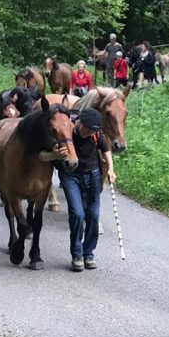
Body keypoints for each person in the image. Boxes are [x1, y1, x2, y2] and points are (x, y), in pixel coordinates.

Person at [56, 108, 117, 271]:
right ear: (80, 122)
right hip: (70, 176)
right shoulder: (67, 131)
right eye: (87, 128)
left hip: (93, 174)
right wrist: (56, 154)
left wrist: (110, 168)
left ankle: (88, 253)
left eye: (93, 130)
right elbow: (52, 152)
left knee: (93, 215)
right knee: (77, 213)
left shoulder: (96, 134)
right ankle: (77, 254)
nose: (90, 132)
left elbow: (106, 150)